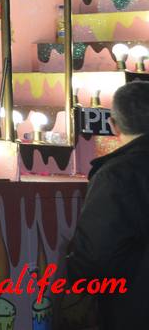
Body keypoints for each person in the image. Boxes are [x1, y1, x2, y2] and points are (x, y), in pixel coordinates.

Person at [65, 80, 149, 328]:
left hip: (133, 309)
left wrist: (76, 285)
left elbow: (97, 252)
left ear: (113, 125)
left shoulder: (117, 175)